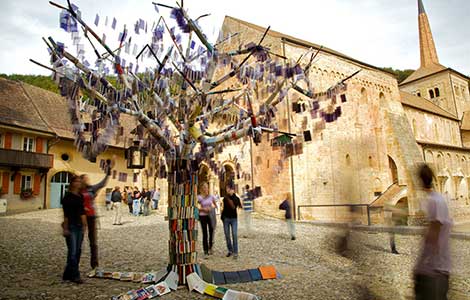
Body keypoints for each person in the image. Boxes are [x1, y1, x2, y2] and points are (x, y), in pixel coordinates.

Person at [414, 164, 452, 300]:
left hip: (435, 268)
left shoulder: (432, 201)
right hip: (442, 264)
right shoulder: (440, 198)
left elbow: (433, 234)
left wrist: (422, 262)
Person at [80, 165, 111, 270]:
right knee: (79, 241)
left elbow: (103, 183)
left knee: (93, 242)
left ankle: (94, 264)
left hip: (91, 217)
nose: (86, 180)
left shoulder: (91, 189)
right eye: (84, 179)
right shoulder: (78, 191)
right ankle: (75, 264)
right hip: (81, 217)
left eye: (86, 179)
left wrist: (109, 172)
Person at [61, 175, 87, 284]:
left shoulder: (80, 196)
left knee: (77, 251)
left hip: (80, 225)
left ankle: (67, 273)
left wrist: (85, 225)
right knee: (73, 251)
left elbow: (82, 211)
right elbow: (66, 215)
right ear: (72, 183)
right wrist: (65, 228)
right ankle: (75, 275)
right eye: (77, 181)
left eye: (80, 182)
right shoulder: (67, 197)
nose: (79, 183)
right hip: (71, 226)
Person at [221, 183, 242, 258]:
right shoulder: (224, 198)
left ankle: (235, 252)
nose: (228, 190)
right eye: (227, 189)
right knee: (227, 235)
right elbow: (223, 208)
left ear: (233, 190)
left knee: (234, 234)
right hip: (226, 218)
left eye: (229, 189)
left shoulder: (236, 198)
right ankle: (230, 250)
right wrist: (222, 218)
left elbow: (234, 207)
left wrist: (229, 199)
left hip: (233, 219)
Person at [197, 182, 217, 257]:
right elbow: (197, 207)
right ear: (201, 189)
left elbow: (215, 205)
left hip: (210, 216)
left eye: (207, 187)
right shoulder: (199, 197)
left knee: (212, 231)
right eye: (205, 187)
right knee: (205, 233)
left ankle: (210, 246)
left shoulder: (211, 197)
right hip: (203, 216)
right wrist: (203, 209)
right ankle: (205, 250)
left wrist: (211, 207)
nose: (206, 189)